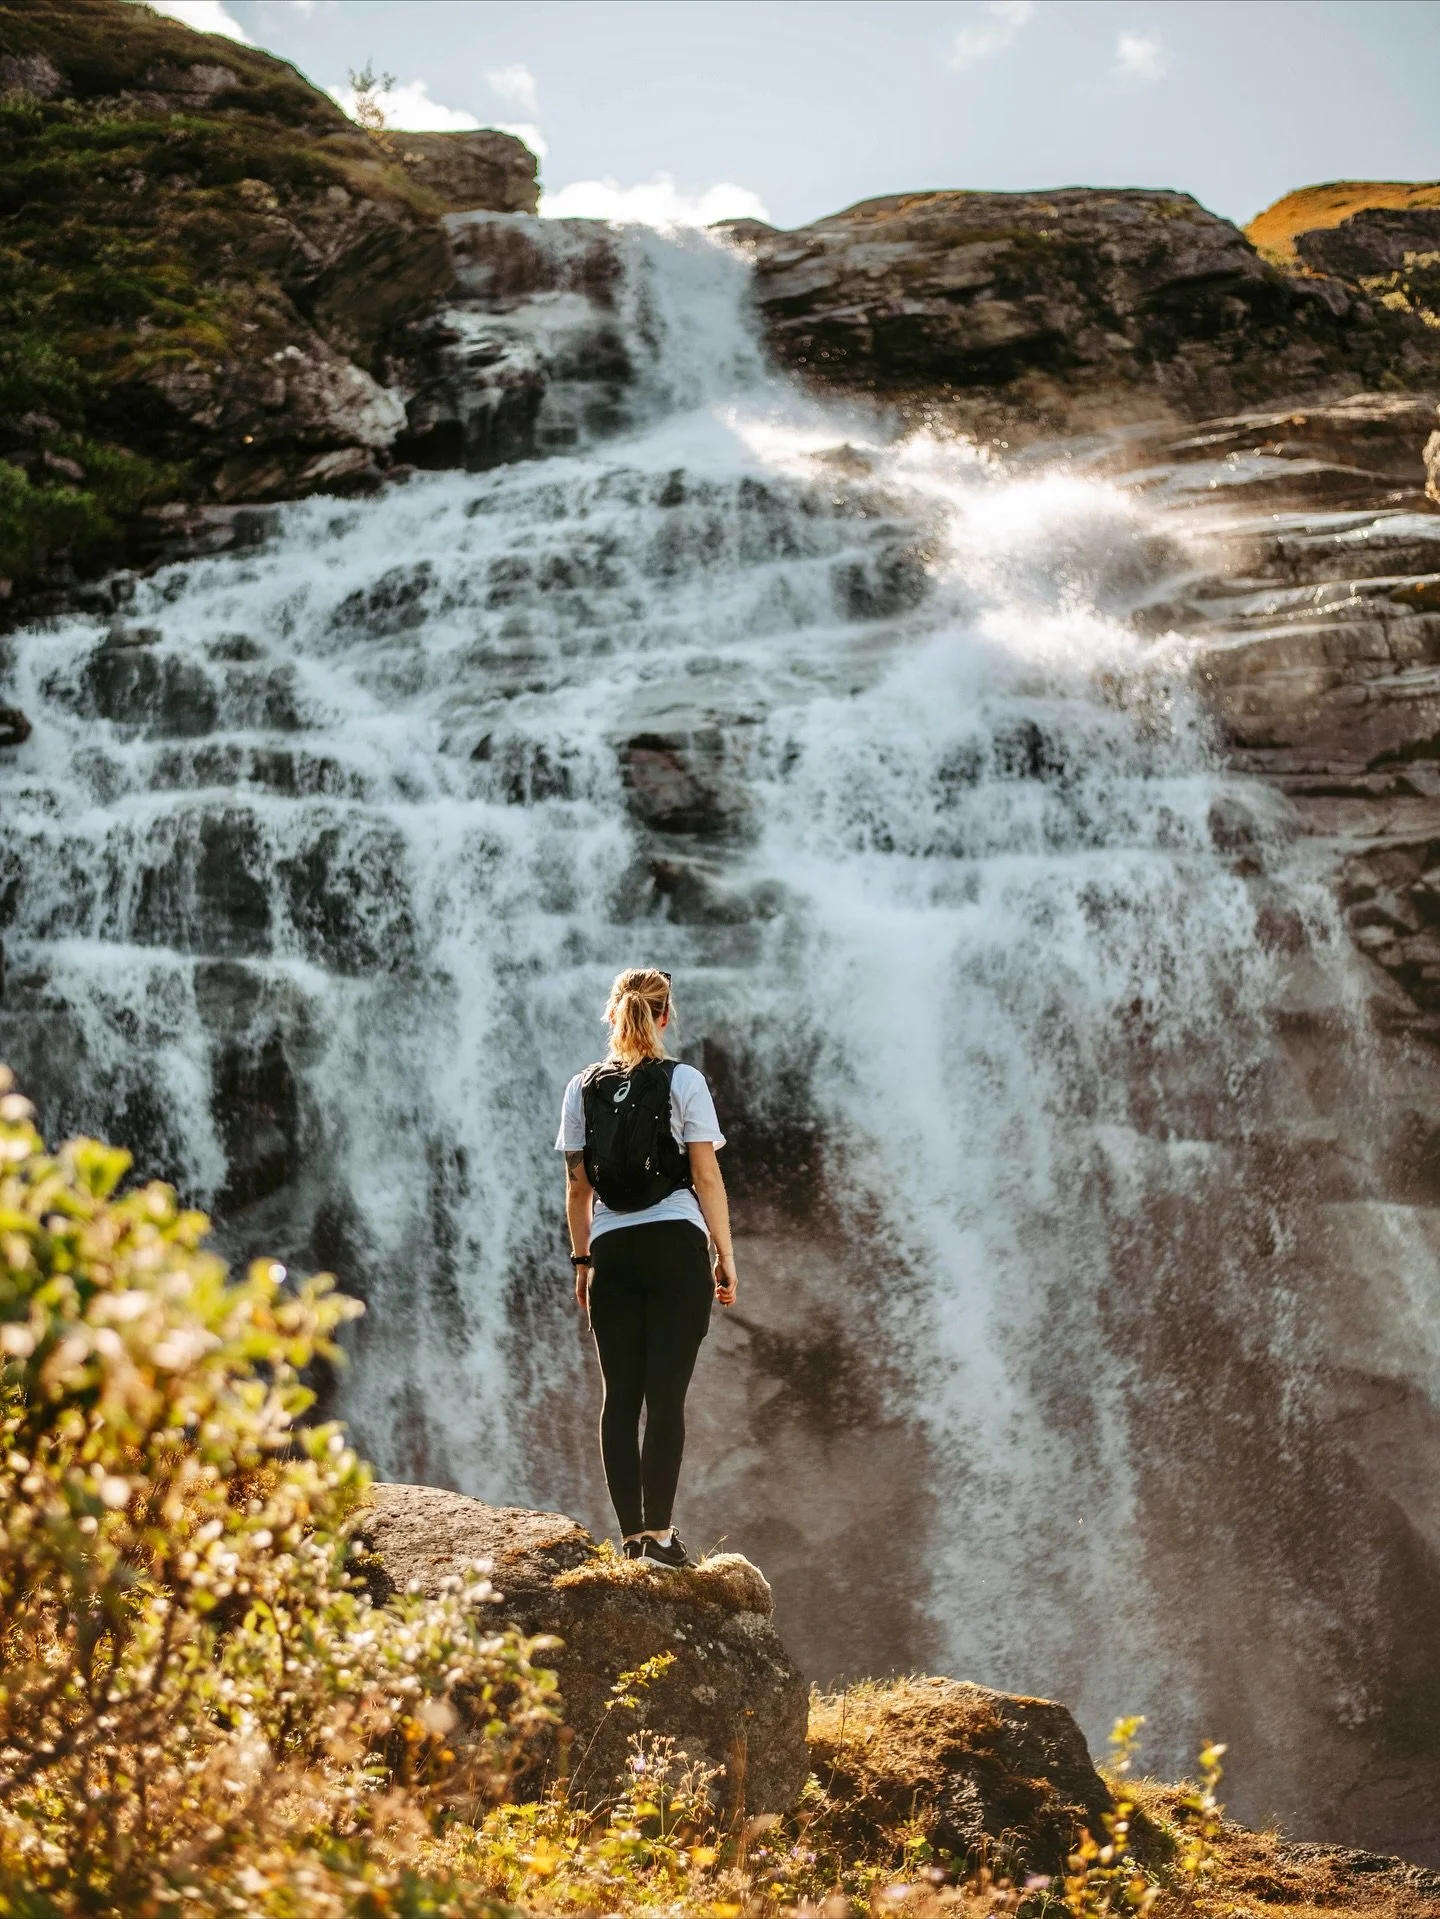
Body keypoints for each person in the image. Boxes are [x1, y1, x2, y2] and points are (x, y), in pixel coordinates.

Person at [556, 967, 738, 1567]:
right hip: (676, 1249)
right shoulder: (683, 1080)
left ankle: (632, 1539)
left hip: (613, 1251)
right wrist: (724, 1256)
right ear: (665, 1016)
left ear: (612, 1014)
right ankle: (661, 1537)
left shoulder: (581, 1088)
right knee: (665, 1398)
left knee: (620, 1399)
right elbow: (706, 1175)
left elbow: (578, 1188)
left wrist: (583, 1260)